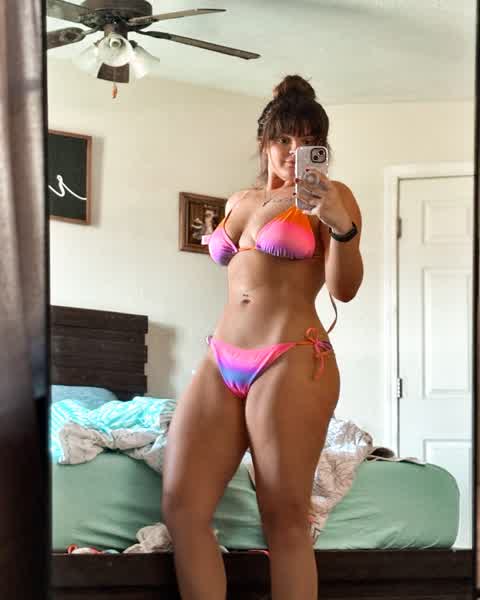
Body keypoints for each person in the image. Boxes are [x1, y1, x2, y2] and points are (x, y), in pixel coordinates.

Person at [162, 74, 363, 600]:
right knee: (182, 508)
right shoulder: (240, 200)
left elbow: (344, 289)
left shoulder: (334, 198)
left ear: (322, 149)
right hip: (221, 357)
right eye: (284, 139)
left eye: (308, 141)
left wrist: (340, 227)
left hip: (290, 358)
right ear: (265, 142)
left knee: (285, 520)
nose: (294, 151)